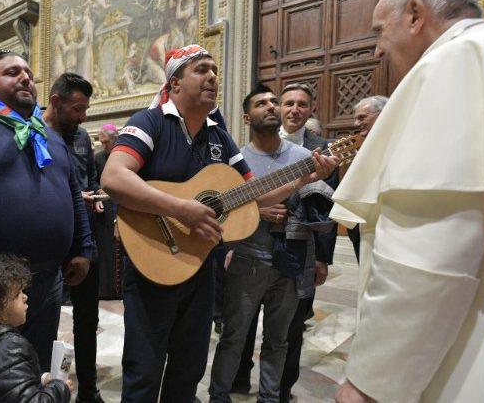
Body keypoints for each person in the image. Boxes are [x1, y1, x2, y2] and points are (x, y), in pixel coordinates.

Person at [101, 44, 337, 402]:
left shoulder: (219, 137)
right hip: (153, 263)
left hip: (201, 268)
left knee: (188, 368)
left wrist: (304, 178)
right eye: (201, 69)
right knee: (144, 370)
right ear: (175, 82)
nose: (212, 76)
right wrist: (182, 209)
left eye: (215, 69)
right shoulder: (148, 123)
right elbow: (114, 178)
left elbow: (253, 196)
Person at [332, 0, 484, 402]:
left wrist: (368, 380)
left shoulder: (458, 61)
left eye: (381, 30)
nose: (377, 50)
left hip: (471, 346)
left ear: (416, 14)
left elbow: (428, 258)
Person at [0, 51, 93, 372]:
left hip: (48, 280)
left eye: (27, 72)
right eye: (12, 72)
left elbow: (73, 196)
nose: (25, 77)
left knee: (34, 365)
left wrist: (82, 248)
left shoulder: (49, 137)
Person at [209, 85, 336, 402]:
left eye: (273, 102)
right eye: (261, 103)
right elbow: (223, 208)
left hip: (292, 258)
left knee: (279, 340)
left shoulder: (307, 158)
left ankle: (269, 397)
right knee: (234, 337)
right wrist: (257, 210)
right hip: (249, 259)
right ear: (246, 116)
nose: (270, 106)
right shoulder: (235, 160)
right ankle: (218, 396)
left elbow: (322, 211)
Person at [42, 72, 104, 403]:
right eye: (77, 109)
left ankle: (89, 390)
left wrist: (93, 196)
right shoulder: (32, 130)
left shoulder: (80, 138)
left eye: (85, 109)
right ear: (55, 102)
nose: (83, 118)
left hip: (83, 238)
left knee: (86, 319)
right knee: (45, 317)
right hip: (50, 240)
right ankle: (44, 385)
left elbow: (89, 177)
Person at [277, 83, 338, 402]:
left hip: (302, 246)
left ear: (310, 109)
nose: (294, 109)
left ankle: (284, 386)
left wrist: (323, 259)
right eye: (288, 103)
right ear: (279, 108)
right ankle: (240, 375)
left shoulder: (324, 150)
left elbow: (328, 210)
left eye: (302, 104)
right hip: (261, 245)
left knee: (295, 321)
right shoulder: (263, 141)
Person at [0, 255, 72, 403]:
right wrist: (60, 389)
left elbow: (7, 386)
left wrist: (41, 380)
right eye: (17, 294)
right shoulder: (7, 348)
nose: (25, 297)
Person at [347, 95, 388, 262]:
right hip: (362, 226)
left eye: (362, 117)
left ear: (383, 114)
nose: (356, 124)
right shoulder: (361, 145)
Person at [93, 124, 123, 300]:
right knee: (106, 250)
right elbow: (93, 180)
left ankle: (121, 290)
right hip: (106, 210)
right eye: (101, 142)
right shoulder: (98, 159)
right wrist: (98, 190)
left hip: (122, 206)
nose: (103, 146)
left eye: (106, 142)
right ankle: (107, 290)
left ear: (115, 139)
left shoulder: (124, 156)